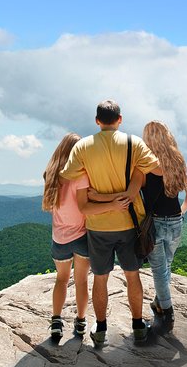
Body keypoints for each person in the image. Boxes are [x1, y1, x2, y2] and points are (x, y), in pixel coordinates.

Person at [61, 99, 160, 347]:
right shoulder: (133, 143)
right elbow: (156, 168)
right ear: (120, 119)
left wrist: (95, 190)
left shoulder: (83, 147)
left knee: (101, 278)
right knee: (132, 275)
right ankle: (138, 326)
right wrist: (135, 175)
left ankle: (101, 328)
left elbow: (67, 174)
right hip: (130, 223)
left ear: (97, 121)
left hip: (98, 225)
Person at [42, 133, 130, 341]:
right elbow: (87, 205)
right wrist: (114, 203)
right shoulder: (80, 176)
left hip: (59, 237)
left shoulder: (50, 175)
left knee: (61, 280)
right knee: (81, 281)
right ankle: (80, 322)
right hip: (82, 236)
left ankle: (56, 321)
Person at [141, 120, 187, 334]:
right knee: (166, 268)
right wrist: (181, 212)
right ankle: (158, 304)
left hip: (154, 223)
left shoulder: (145, 164)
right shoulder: (178, 162)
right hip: (175, 222)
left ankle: (167, 312)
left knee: (159, 271)